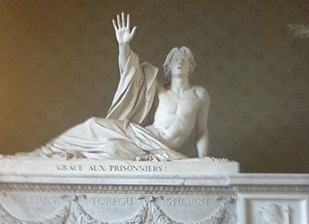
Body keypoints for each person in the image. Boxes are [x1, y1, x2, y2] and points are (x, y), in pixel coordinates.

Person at [21, 13, 210, 161]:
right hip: (142, 136)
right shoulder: (159, 90)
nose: (179, 63)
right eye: (175, 60)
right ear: (168, 67)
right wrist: (123, 46)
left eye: (184, 60)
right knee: (93, 124)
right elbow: (130, 74)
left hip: (162, 149)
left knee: (111, 149)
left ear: (190, 66)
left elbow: (201, 131)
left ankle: (51, 151)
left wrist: (204, 160)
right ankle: (47, 150)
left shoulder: (199, 95)